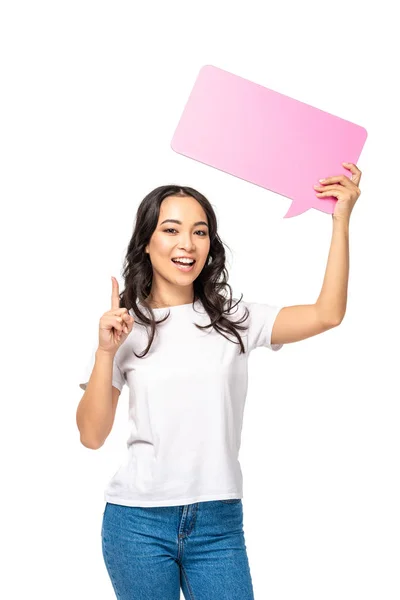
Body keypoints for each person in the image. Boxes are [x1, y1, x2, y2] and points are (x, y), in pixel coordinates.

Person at [76, 164, 362, 600]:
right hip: (137, 524)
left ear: (211, 245)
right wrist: (103, 353)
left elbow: (328, 314)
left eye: (200, 231)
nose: (187, 244)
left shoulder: (235, 320)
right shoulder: (123, 329)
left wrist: (340, 222)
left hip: (218, 523)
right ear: (147, 243)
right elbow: (92, 435)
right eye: (171, 230)